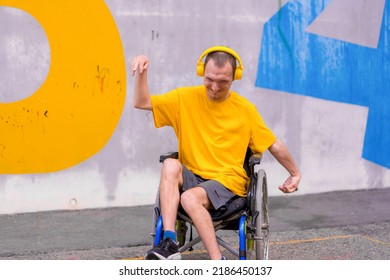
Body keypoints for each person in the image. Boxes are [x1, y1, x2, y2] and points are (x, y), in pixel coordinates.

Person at [130, 46, 301, 260]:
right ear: (201, 72)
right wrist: (142, 73)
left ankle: (217, 262)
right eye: (210, 79)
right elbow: (141, 102)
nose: (214, 87)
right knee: (170, 165)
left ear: (234, 78)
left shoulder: (245, 110)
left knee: (191, 198)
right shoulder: (184, 99)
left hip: (227, 183)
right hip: (194, 176)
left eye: (223, 82)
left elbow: (272, 143)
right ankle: (169, 241)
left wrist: (294, 173)